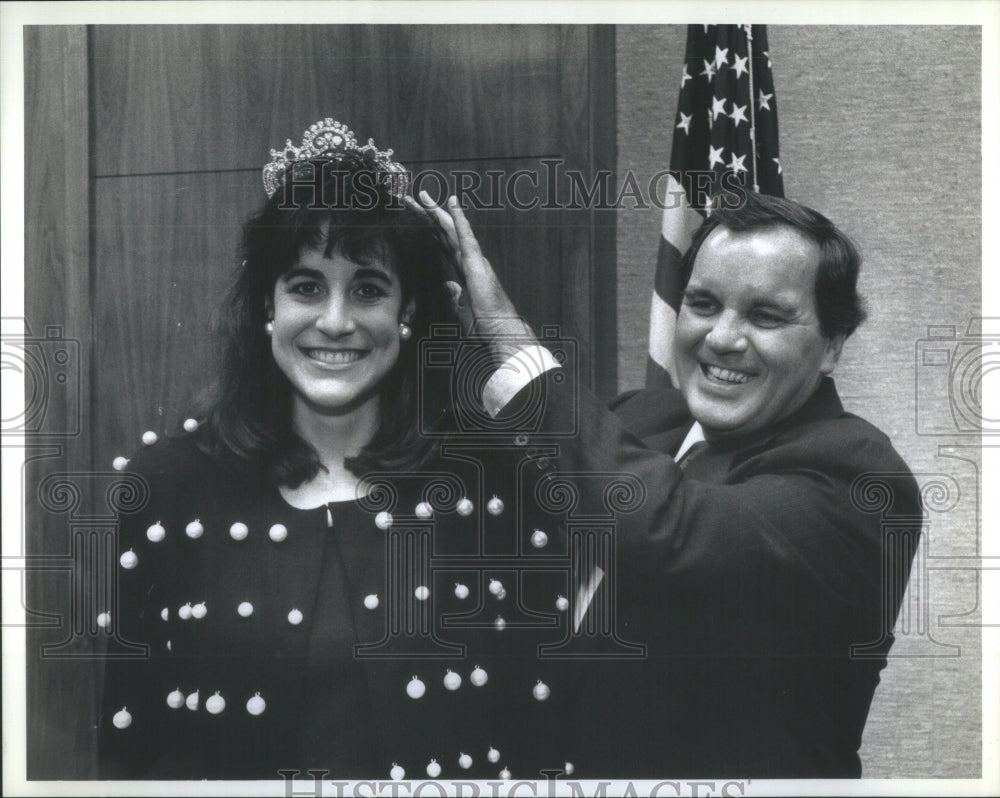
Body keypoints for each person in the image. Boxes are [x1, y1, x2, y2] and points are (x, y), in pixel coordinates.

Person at [98, 120, 576, 781]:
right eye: (305, 286)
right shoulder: (167, 485)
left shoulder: (495, 483)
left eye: (369, 288)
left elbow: (545, 745)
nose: (334, 321)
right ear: (265, 305)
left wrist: (504, 334)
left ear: (408, 313)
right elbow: (133, 753)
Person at [420, 188, 923, 778]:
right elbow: (483, 491)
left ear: (833, 345)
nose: (722, 338)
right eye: (703, 303)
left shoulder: (861, 477)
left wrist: (514, 340)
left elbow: (660, 530)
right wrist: (424, 331)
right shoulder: (644, 417)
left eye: (765, 315)